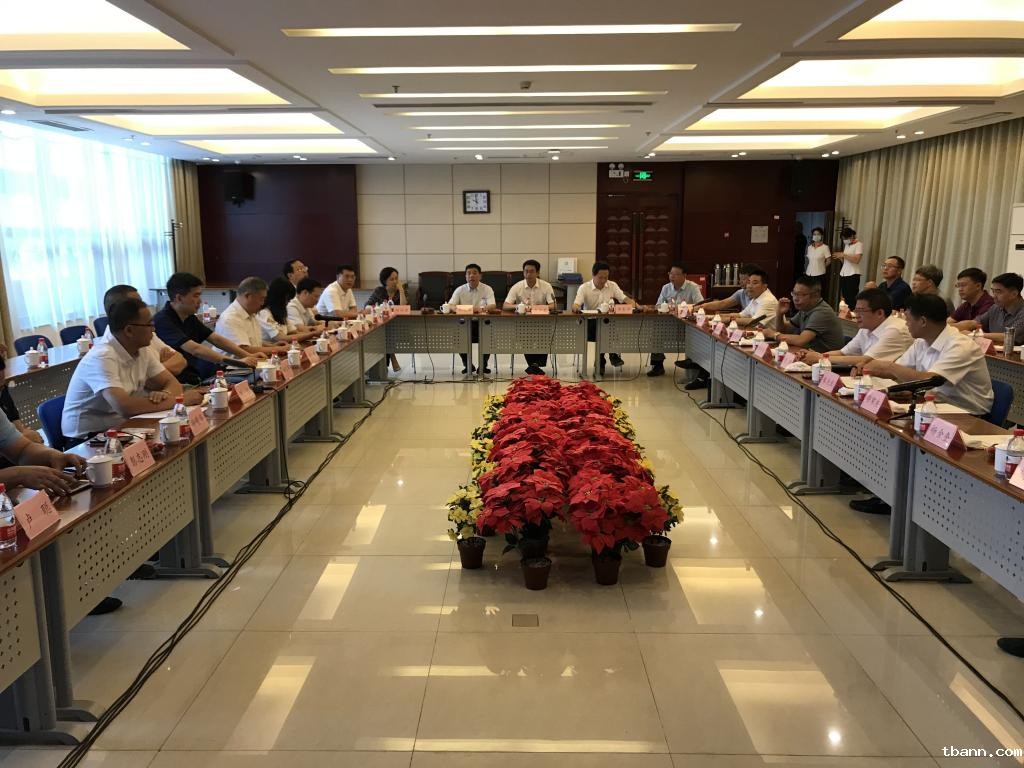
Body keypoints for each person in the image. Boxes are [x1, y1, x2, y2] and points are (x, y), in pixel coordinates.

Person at [849, 293, 994, 516]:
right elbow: (900, 375)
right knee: (883, 421)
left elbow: (929, 379)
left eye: (908, 319)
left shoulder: (960, 345)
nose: (905, 323)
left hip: (967, 416)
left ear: (923, 321)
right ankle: (889, 492)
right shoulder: (920, 342)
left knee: (898, 431)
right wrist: (878, 373)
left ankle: (900, 498)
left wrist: (888, 367)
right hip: (934, 406)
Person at [62, 298, 202, 441]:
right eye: (149, 325)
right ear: (129, 330)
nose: (153, 329)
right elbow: (125, 407)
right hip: (87, 438)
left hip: (123, 426)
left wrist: (165, 394)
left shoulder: (141, 349)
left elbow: (173, 384)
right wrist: (179, 401)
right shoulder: (102, 357)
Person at [154, 272, 261, 381]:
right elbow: (195, 349)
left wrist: (247, 355)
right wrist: (236, 362)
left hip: (195, 373)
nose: (200, 301)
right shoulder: (163, 320)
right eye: (196, 296)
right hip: (175, 380)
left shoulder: (189, 317)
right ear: (179, 298)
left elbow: (215, 339)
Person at [798, 288, 912, 367]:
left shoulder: (894, 330)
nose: (856, 315)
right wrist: (811, 356)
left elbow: (866, 360)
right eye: (856, 310)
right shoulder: (866, 327)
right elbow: (843, 353)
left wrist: (820, 358)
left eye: (861, 311)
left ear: (879, 313)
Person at [100, 285, 189, 381]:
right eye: (136, 304)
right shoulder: (104, 356)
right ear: (119, 310)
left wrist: (156, 371)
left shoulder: (145, 334)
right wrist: (157, 372)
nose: (142, 307)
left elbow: (181, 361)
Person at [572, 261, 635, 375]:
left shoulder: (612, 285)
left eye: (606, 277)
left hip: (608, 323)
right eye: (600, 277)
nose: (603, 280)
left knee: (607, 325)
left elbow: (625, 299)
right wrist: (576, 307)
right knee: (603, 328)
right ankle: (612, 355)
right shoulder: (584, 287)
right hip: (590, 324)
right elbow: (576, 304)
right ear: (593, 275)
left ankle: (601, 362)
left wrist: (638, 306)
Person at [647, 264, 704, 376]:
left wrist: (683, 308)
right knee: (655, 333)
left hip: (688, 325)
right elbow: (658, 305)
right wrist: (665, 307)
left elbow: (700, 305)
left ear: (684, 275)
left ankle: (694, 365)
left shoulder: (693, 287)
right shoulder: (666, 287)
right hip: (668, 324)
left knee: (699, 337)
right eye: (670, 274)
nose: (672, 277)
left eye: (676, 274)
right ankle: (657, 366)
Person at [215, 277, 290, 357]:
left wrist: (272, 346)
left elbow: (253, 342)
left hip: (251, 361)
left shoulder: (251, 313)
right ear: (248, 296)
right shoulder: (230, 318)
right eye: (261, 299)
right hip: (234, 364)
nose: (262, 303)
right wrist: (277, 349)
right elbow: (244, 349)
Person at [504, 260, 556, 375]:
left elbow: (553, 305)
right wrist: (519, 306)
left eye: (532, 271)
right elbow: (506, 305)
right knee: (525, 335)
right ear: (523, 273)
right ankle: (535, 366)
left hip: (542, 322)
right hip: (523, 323)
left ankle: (533, 366)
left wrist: (535, 308)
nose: (528, 274)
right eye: (526, 271)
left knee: (546, 335)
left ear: (537, 273)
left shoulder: (546, 286)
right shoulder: (517, 286)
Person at [766, 276, 844, 352]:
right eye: (794, 293)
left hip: (826, 358)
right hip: (809, 353)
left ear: (815, 295)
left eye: (800, 295)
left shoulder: (822, 312)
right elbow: (784, 331)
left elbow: (801, 340)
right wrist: (779, 314)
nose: (795, 298)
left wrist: (774, 335)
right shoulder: (805, 308)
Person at [447, 263, 497, 374]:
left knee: (488, 335)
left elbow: (492, 305)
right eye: (468, 273)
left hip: (482, 323)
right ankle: (468, 365)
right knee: (458, 336)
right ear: (465, 276)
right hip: (464, 323)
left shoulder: (487, 289)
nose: (471, 276)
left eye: (474, 273)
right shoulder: (460, 290)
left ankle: (483, 365)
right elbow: (450, 305)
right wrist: (466, 309)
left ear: (480, 276)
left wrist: (479, 309)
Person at [954, 272, 1024, 346]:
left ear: (1014, 294)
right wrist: (952, 330)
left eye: (998, 291)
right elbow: (974, 323)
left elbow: (1009, 336)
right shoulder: (995, 308)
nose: (994, 296)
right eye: (993, 291)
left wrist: (975, 335)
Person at [366, 267, 408, 373]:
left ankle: (386, 363)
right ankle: (391, 358)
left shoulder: (400, 292)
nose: (395, 281)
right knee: (384, 334)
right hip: (381, 326)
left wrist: (401, 290)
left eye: (396, 278)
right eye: (392, 279)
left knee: (386, 334)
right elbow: (367, 305)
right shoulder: (379, 291)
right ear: (385, 281)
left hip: (398, 325)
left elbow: (403, 308)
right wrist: (378, 309)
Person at [257, 278, 320, 345]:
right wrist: (312, 334)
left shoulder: (281, 313)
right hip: (272, 349)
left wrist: (312, 334)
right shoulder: (264, 313)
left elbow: (294, 332)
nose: (288, 302)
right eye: (287, 299)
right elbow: (281, 338)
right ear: (279, 298)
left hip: (284, 347)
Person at [830, 226, 863, 307]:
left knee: (851, 297)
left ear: (851, 236)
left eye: (845, 238)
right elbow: (846, 262)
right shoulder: (847, 245)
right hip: (844, 273)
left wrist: (843, 255)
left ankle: (851, 312)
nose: (844, 240)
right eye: (843, 239)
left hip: (853, 274)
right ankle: (845, 312)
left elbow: (856, 260)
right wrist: (840, 257)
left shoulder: (859, 244)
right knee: (844, 296)